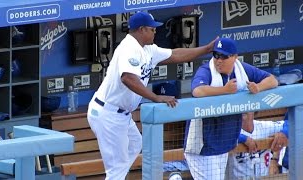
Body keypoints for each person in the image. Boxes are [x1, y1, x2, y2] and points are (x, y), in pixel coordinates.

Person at [87, 11, 216, 180]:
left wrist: (206, 49)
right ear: (141, 30)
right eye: (152, 29)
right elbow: (128, 78)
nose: (155, 31)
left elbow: (176, 54)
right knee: (116, 170)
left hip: (121, 115)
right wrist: (156, 97)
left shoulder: (148, 49)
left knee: (135, 144)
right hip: (108, 113)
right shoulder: (129, 48)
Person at [184, 37, 278, 180]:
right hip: (201, 146)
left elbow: (272, 80)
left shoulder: (242, 69)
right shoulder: (206, 70)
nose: (218, 60)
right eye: (216, 55)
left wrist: (258, 87)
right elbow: (197, 90)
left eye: (223, 56)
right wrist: (225, 90)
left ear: (235, 57)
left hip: (222, 144)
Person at [227, 112, 288, 179]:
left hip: (265, 178)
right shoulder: (229, 131)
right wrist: (244, 139)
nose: (243, 110)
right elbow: (220, 137)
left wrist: (283, 133)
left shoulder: (264, 126)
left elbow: (291, 124)